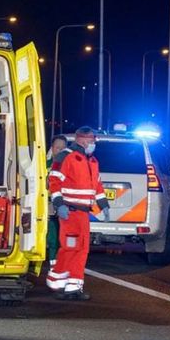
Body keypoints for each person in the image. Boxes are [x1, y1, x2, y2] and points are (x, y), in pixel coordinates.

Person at [46, 127, 110, 301]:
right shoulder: (65, 156)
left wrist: (103, 205)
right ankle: (57, 282)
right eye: (91, 142)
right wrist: (59, 204)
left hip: (83, 214)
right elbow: (54, 181)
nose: (93, 145)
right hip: (70, 211)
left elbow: (97, 186)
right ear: (82, 140)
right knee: (70, 247)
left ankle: (74, 286)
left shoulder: (92, 161)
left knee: (82, 249)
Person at [46, 135, 69, 268]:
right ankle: (54, 265)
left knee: (65, 238)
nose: (59, 151)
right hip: (50, 206)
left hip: (66, 206)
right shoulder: (45, 165)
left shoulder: (70, 166)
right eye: (57, 147)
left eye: (62, 148)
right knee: (53, 238)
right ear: (52, 148)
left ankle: (63, 265)